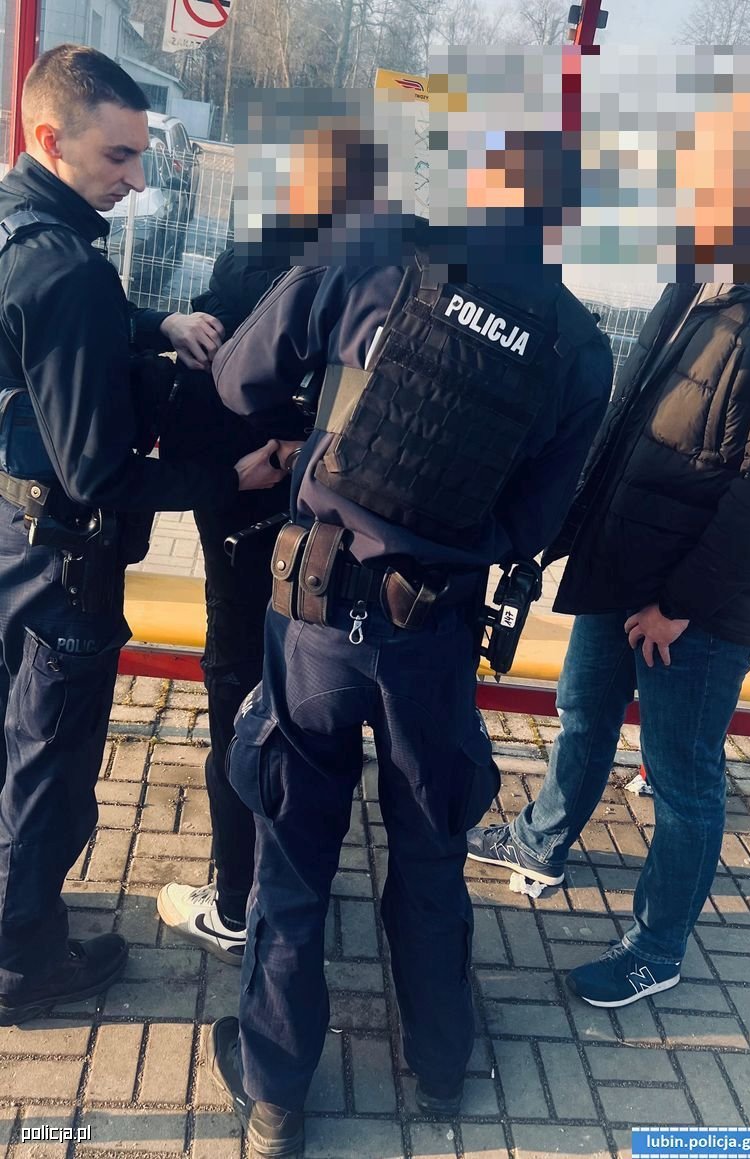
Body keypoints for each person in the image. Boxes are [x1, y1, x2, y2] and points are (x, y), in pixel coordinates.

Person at [202, 152, 613, 1150]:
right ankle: (436, 1061)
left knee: (294, 852)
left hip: (313, 617)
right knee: (429, 846)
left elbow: (237, 378)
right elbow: (536, 526)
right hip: (432, 633)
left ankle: (274, 1094)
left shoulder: (374, 258)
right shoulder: (578, 346)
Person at [0, 45, 282, 1026]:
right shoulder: (69, 268)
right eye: (117, 156)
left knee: (16, 741)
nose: (135, 180)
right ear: (51, 137)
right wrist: (224, 479)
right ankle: (23, 962)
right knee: (50, 766)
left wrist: (155, 324)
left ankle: (16, 920)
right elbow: (100, 473)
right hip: (64, 561)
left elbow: (48, 338)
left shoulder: (21, 228)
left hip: (13, 534)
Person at [466, 273, 750, 1007]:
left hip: (701, 610)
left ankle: (657, 948)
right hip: (625, 565)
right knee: (582, 713)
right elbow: (626, 426)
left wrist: (680, 605)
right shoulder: (694, 285)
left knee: (683, 779)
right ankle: (539, 844)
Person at [156, 249, 301, 962]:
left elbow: (178, 442)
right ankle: (291, 878)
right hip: (330, 565)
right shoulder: (371, 298)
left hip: (241, 553)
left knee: (237, 712)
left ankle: (235, 903)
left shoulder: (230, 304)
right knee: (304, 714)